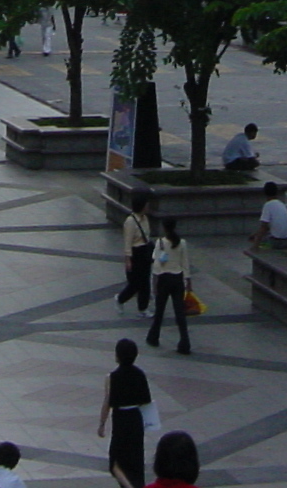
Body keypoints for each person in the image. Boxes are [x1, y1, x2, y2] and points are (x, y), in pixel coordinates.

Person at [97, 337, 152, 488]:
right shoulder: (140, 374)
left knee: (115, 462)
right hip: (136, 418)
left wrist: (102, 424)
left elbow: (107, 403)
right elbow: (146, 400)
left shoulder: (112, 377)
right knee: (136, 459)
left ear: (117, 356)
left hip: (120, 419)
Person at [146, 219, 192, 354]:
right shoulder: (182, 243)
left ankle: (154, 336)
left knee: (160, 311)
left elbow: (156, 265)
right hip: (178, 279)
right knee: (179, 312)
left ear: (164, 228)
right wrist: (188, 281)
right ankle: (185, 342)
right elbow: (185, 263)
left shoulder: (160, 243)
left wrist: (154, 283)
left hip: (164, 279)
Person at [116, 188, 155, 313]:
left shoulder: (145, 219)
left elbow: (147, 236)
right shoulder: (131, 222)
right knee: (135, 284)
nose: (148, 207)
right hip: (136, 254)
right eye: (147, 205)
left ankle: (143, 308)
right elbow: (127, 242)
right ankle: (120, 299)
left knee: (145, 282)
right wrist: (128, 260)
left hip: (145, 252)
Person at [251, 182, 287, 251]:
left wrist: (255, 245)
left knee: (258, 239)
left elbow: (263, 228)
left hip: (278, 242)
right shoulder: (281, 204)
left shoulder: (268, 205)